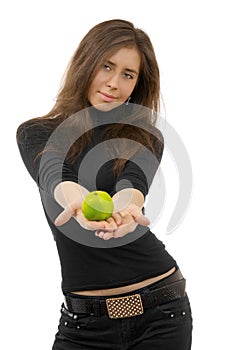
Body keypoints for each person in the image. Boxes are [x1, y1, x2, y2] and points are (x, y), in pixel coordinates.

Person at [16, 19, 193, 349]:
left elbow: (132, 185)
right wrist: (78, 201)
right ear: (86, 63)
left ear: (138, 84)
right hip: (83, 325)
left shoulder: (143, 134)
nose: (114, 82)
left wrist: (129, 208)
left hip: (161, 311)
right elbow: (56, 173)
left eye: (128, 74)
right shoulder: (35, 132)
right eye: (106, 66)